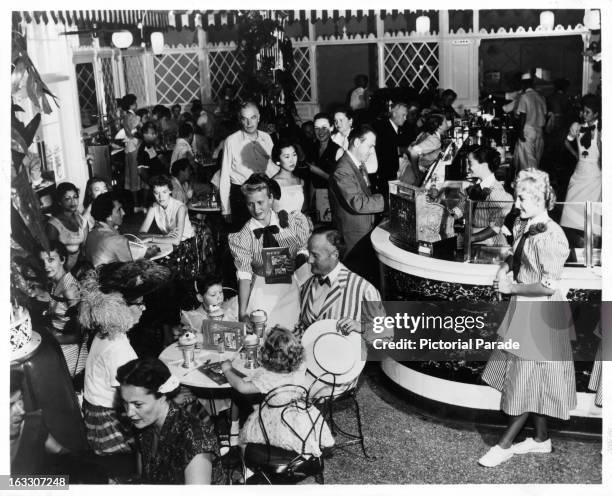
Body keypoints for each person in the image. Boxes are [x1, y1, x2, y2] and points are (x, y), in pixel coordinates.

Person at [479, 169, 576, 467]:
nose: (517, 203)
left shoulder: (553, 236)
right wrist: (503, 269)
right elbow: (516, 253)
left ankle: (505, 443)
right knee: (532, 376)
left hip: (542, 316)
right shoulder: (524, 223)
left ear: (539, 198)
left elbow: (548, 287)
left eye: (522, 197)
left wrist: (512, 287)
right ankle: (540, 439)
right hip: (524, 309)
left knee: (527, 378)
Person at [221, 326, 334, 457]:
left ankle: (249, 470)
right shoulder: (301, 367)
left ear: (268, 354)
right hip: (300, 415)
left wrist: (227, 370)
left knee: (244, 438)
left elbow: (242, 387)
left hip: (277, 419)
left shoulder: (269, 378)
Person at [117, 358, 224, 484]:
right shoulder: (144, 424)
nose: (129, 413)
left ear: (162, 397)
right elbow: (144, 479)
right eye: (125, 403)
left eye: (138, 404)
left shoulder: (195, 440)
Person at [228, 173, 311, 329]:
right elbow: (244, 277)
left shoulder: (291, 222)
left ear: (271, 199)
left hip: (290, 290)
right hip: (261, 294)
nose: (256, 209)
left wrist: (297, 263)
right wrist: (242, 313)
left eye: (260, 202)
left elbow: (303, 251)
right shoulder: (243, 236)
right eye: (250, 204)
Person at [79, 288, 138, 456]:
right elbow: (127, 392)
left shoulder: (101, 334)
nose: (142, 309)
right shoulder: (117, 346)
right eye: (138, 305)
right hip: (105, 417)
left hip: (93, 408)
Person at [297, 227, 384, 338]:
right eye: (309, 253)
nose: (309, 260)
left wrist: (362, 327)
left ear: (335, 255)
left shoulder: (364, 289)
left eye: (315, 255)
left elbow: (385, 333)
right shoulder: (306, 285)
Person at [219, 101, 279, 231]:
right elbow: (224, 176)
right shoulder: (231, 141)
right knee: (244, 237)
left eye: (252, 118)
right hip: (241, 195)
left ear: (258, 118)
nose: (249, 123)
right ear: (240, 120)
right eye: (244, 119)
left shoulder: (267, 138)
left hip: (263, 193)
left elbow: (274, 169)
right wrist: (226, 208)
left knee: (266, 235)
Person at [328, 125, 384, 259]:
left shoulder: (358, 164)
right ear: (357, 142)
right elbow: (357, 203)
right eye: (370, 146)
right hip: (352, 236)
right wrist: (388, 201)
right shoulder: (342, 170)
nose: (372, 151)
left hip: (363, 231)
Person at [37, 242, 87, 377]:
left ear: (62, 260)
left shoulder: (70, 290)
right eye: (42, 261)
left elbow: (78, 336)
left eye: (51, 260)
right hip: (58, 344)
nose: (45, 266)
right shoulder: (56, 282)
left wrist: (49, 337)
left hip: (70, 356)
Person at [560, 94, 601, 244]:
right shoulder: (576, 126)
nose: (583, 115)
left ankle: (591, 248)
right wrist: (576, 155)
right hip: (579, 172)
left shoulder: (601, 130)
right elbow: (566, 142)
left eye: (588, 112)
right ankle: (579, 246)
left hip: (595, 175)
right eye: (583, 111)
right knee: (571, 214)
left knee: (591, 217)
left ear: (596, 114)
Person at [452, 146, 513, 246]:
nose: (468, 167)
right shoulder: (471, 186)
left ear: (483, 166)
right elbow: (461, 207)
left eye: (470, 163)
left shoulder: (497, 192)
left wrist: (471, 238)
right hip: (472, 240)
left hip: (491, 245)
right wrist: (450, 216)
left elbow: (495, 227)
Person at [139, 175, 197, 280]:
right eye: (157, 193)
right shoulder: (154, 207)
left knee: (159, 270)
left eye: (164, 192)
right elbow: (141, 234)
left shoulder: (180, 208)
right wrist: (162, 236)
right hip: (166, 242)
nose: (161, 197)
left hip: (185, 247)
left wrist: (152, 238)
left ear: (170, 191)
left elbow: (176, 240)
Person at [10, 368, 67, 475]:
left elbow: (63, 454)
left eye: (20, 399)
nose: (21, 411)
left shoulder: (33, 425)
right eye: (10, 405)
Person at [373, 102, 412, 207]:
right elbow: (385, 155)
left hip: (391, 171)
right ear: (394, 114)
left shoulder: (395, 127)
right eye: (403, 115)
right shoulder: (383, 128)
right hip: (383, 175)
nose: (405, 118)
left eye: (406, 115)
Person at [45, 182, 89, 271]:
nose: (73, 202)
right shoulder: (53, 226)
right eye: (67, 198)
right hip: (65, 270)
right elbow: (51, 257)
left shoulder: (78, 216)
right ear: (59, 202)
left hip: (81, 266)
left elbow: (84, 245)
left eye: (75, 197)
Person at [308, 113, 342, 223]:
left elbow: (340, 181)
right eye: (317, 128)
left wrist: (319, 172)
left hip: (331, 197)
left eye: (324, 128)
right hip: (315, 196)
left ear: (331, 128)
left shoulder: (337, 150)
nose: (320, 132)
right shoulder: (312, 148)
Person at [83, 192, 133, 267]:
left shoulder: (91, 234)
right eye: (119, 210)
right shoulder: (118, 240)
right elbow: (132, 268)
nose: (123, 212)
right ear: (108, 216)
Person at [513, 73, 547, 171]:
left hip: (528, 130)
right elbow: (544, 115)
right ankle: (536, 183)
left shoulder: (525, 97)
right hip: (539, 131)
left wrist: (520, 131)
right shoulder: (541, 97)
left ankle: (530, 184)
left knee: (527, 162)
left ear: (524, 85)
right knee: (536, 159)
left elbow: (523, 115)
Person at [400, 113, 446, 186]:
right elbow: (413, 152)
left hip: (408, 169)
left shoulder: (426, 133)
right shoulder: (434, 140)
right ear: (439, 126)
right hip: (412, 175)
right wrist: (417, 174)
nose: (447, 123)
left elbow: (410, 147)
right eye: (445, 122)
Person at [332, 106, 378, 177]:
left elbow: (373, 166)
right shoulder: (333, 138)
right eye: (335, 121)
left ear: (350, 121)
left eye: (341, 120)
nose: (337, 124)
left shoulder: (361, 136)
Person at [120, 94, 144, 212]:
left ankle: (136, 203)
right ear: (131, 105)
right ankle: (136, 204)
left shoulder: (125, 117)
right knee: (135, 174)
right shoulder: (134, 117)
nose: (136, 105)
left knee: (131, 175)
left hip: (130, 148)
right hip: (135, 147)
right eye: (135, 103)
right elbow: (135, 133)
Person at [271, 139, 305, 214]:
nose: (292, 160)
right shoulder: (273, 183)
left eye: (294, 155)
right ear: (278, 160)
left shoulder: (300, 181)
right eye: (287, 157)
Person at [136, 122, 167, 186]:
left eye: (155, 133)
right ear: (145, 134)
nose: (155, 136)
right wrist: (151, 183)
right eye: (152, 134)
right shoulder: (143, 150)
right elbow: (141, 171)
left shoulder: (150, 145)